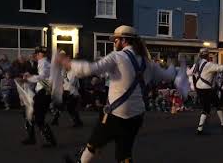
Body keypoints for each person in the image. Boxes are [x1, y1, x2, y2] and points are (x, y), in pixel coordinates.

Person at [62, 25, 177, 163]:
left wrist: (69, 63)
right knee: (124, 154)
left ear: (123, 40)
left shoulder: (117, 57)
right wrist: (174, 65)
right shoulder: (148, 62)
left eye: (115, 40)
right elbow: (168, 76)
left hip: (116, 114)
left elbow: (89, 69)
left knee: (93, 144)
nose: (113, 43)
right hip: (137, 115)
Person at [187, 48, 223, 135]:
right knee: (211, 107)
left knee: (212, 105)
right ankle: (200, 129)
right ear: (207, 56)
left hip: (199, 88)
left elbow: (188, 73)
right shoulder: (209, 64)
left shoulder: (197, 64)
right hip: (207, 88)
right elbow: (221, 68)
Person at [21, 46, 57, 147]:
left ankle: (45, 140)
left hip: (44, 92)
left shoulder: (43, 63)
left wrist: (28, 78)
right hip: (45, 91)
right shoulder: (46, 62)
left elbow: (41, 76)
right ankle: (34, 137)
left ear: (40, 54)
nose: (36, 55)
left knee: (35, 116)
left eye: (37, 53)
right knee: (31, 114)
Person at [51, 51, 83, 127]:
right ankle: (55, 120)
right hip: (65, 91)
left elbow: (72, 82)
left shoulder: (73, 72)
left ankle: (77, 122)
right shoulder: (63, 70)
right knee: (60, 106)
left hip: (72, 93)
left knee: (70, 108)